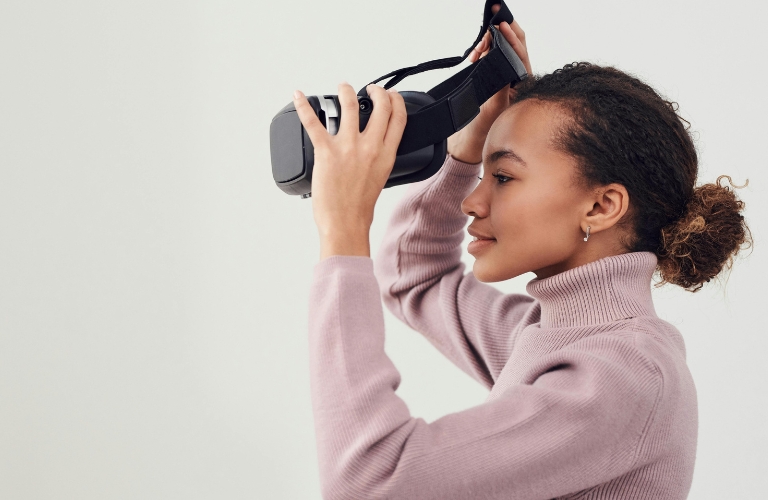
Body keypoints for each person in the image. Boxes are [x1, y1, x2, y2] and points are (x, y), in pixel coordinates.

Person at [291, 4, 750, 500]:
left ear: (601, 205)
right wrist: (467, 148)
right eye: (484, 175)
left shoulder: (621, 376)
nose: (472, 200)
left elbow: (372, 479)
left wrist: (343, 228)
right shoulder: (549, 336)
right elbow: (415, 277)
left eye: (504, 177)